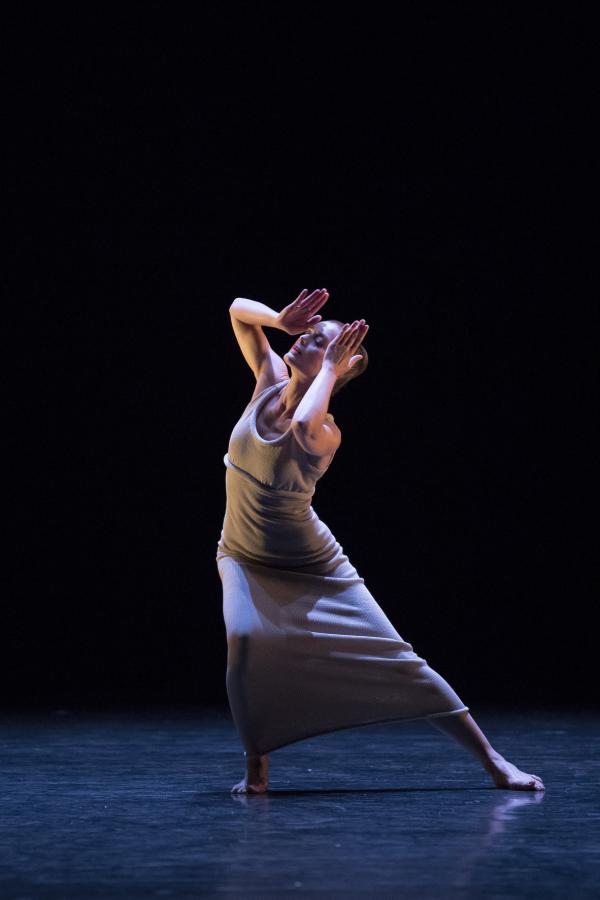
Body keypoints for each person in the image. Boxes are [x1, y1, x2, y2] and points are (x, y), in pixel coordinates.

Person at [217, 287, 545, 795]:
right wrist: (280, 320)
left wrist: (330, 368)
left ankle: (493, 760)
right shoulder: (269, 380)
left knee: (398, 657)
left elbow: (301, 424)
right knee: (244, 645)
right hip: (242, 555)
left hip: (312, 564)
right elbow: (238, 311)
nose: (306, 341)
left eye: (321, 342)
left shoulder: (325, 431)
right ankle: (256, 764)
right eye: (309, 335)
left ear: (341, 365)